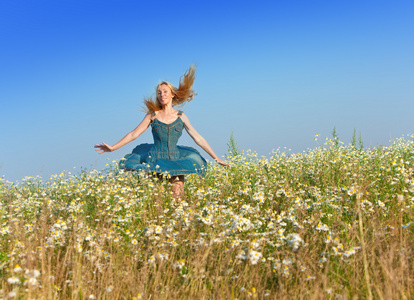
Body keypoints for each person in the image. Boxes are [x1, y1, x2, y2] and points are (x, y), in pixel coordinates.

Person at [95, 66, 228, 199]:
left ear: (172, 94)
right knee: (158, 199)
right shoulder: (152, 115)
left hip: (175, 159)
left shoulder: (181, 116)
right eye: (159, 92)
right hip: (155, 160)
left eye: (165, 91)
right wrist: (112, 148)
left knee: (178, 197)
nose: (162, 94)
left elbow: (198, 138)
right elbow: (133, 134)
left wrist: (217, 158)